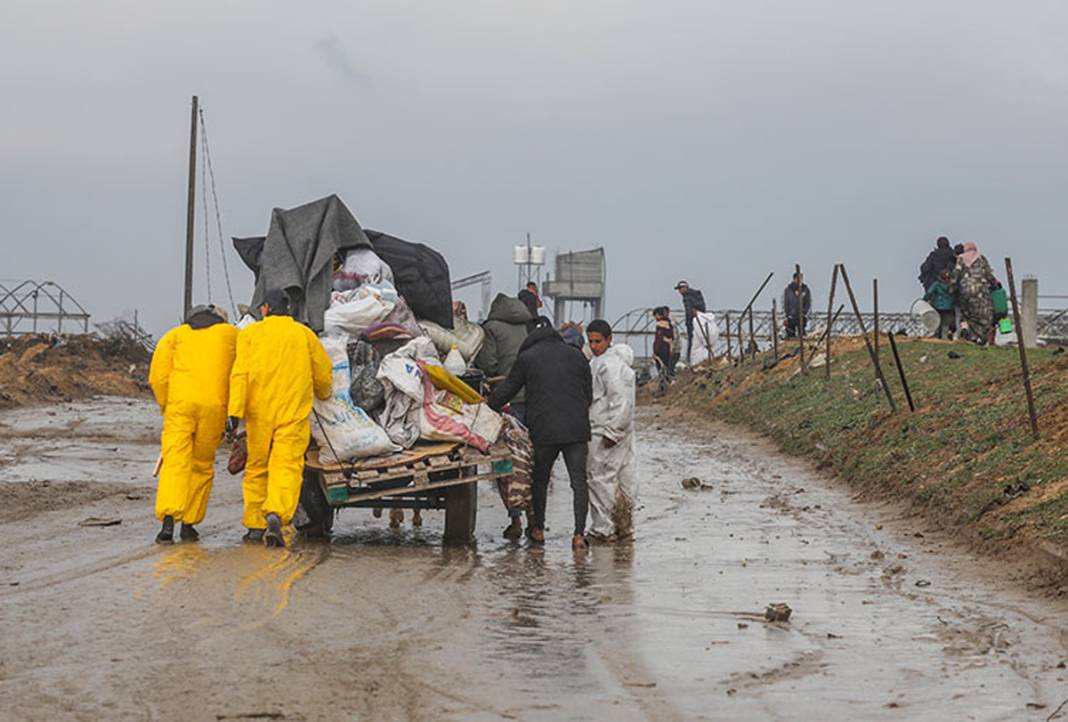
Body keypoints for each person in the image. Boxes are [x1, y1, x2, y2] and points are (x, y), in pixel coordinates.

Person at [228, 289, 332, 547]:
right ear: (288, 310)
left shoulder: (250, 334)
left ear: (265, 309)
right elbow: (322, 373)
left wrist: (234, 411)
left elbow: (239, 374)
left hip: (259, 414)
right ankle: (276, 514)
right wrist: (324, 392)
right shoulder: (304, 335)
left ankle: (254, 526)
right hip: (292, 414)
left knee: (257, 467)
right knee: (286, 465)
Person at [488, 316, 593, 550]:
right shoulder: (576, 355)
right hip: (576, 429)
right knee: (579, 481)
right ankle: (578, 535)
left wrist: (486, 406)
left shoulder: (528, 358)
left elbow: (508, 389)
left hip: (545, 429)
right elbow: (588, 394)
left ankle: (538, 530)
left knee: (540, 480)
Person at [149, 304, 237, 544]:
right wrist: (235, 410)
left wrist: (166, 404)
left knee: (175, 462)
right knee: (201, 464)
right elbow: (241, 372)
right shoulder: (231, 335)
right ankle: (189, 524)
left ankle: (168, 521)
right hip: (214, 408)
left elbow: (157, 376)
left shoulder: (174, 336)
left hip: (180, 407)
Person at [474, 292, 534, 539]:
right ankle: (535, 522)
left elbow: (488, 364)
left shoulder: (491, 328)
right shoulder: (529, 327)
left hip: (505, 398)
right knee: (531, 459)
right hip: (533, 398)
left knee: (506, 462)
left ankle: (515, 519)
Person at [585, 320, 637, 543]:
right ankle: (624, 525)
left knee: (600, 478)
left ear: (609, 339)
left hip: (605, 429)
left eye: (598, 341)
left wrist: (611, 432)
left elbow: (620, 401)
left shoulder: (609, 366)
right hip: (621, 429)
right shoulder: (611, 363)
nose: (594, 345)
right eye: (591, 341)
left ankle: (604, 528)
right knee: (624, 477)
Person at [950, 242, 999, 345]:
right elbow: (989, 274)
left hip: (965, 290)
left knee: (966, 313)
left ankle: (965, 328)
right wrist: (995, 284)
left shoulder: (960, 258)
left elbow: (956, 273)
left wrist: (952, 287)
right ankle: (981, 337)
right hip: (981, 291)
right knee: (983, 315)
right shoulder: (981, 258)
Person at [674, 281, 706, 363]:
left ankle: (690, 360)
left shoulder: (687, 297)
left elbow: (689, 311)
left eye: (680, 289)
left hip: (693, 322)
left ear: (685, 288)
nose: (679, 292)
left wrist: (689, 321)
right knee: (700, 340)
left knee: (692, 341)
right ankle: (700, 359)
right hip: (701, 320)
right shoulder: (697, 294)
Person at [923, 269, 956, 339]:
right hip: (949, 307)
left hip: (937, 306)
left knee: (937, 322)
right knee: (945, 324)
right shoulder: (952, 286)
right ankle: (945, 338)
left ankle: (936, 336)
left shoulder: (936, 284)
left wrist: (924, 300)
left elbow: (929, 292)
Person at [782, 272, 812, 338]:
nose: (799, 280)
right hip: (791, 315)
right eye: (797, 279)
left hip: (802, 314)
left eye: (800, 279)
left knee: (801, 332)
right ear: (794, 279)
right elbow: (785, 303)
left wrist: (805, 312)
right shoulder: (788, 290)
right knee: (790, 333)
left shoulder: (805, 289)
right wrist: (787, 315)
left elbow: (808, 302)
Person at [652, 306, 675, 379]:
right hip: (667, 349)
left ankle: (664, 384)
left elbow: (659, 339)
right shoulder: (669, 324)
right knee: (667, 368)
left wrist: (655, 351)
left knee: (662, 370)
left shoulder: (660, 325)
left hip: (661, 350)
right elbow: (672, 337)